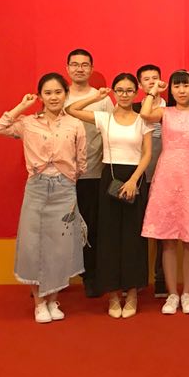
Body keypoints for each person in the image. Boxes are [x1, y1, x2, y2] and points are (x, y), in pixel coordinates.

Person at [0, 73, 87, 324]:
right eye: (48, 93)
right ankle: (39, 303)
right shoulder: (28, 123)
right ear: (40, 96)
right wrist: (22, 106)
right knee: (33, 245)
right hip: (36, 188)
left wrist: (69, 178)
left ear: (66, 94)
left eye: (58, 92)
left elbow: (82, 159)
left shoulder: (75, 124)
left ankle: (53, 299)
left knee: (60, 246)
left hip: (65, 189)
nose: (53, 97)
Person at [66, 73, 153, 319]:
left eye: (129, 90)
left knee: (133, 237)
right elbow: (71, 110)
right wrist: (96, 97)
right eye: (120, 90)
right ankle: (114, 295)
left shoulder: (142, 120)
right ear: (113, 92)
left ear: (136, 93)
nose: (124, 95)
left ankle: (132, 293)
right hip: (110, 178)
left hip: (135, 178)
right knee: (109, 237)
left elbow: (147, 153)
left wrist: (134, 180)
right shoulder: (104, 118)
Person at [140, 70, 189, 315]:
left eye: (186, 85)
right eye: (177, 86)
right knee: (168, 240)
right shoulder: (165, 112)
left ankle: (188, 294)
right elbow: (144, 113)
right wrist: (153, 91)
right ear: (170, 89)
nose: (181, 90)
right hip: (166, 177)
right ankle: (172, 294)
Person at [64, 48, 114, 297]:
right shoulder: (59, 94)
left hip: (93, 171)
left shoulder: (103, 98)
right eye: (75, 64)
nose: (80, 69)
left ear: (91, 69)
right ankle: (57, 276)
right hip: (62, 173)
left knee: (91, 226)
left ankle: (90, 275)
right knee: (59, 226)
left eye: (85, 65)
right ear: (67, 68)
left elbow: (112, 131)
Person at [133, 64, 167, 298]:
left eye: (156, 78)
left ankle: (161, 279)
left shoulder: (172, 108)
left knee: (163, 232)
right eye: (147, 79)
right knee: (136, 229)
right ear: (139, 85)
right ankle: (136, 279)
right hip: (138, 177)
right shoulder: (133, 109)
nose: (152, 82)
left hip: (164, 177)